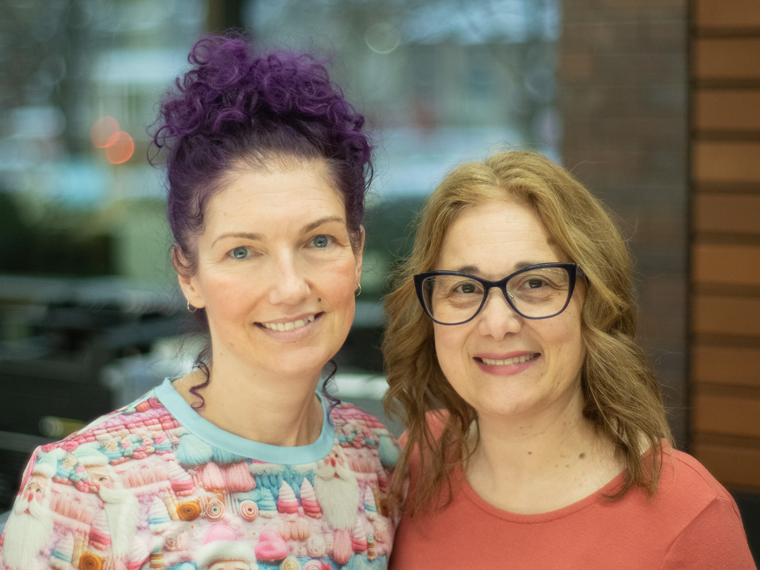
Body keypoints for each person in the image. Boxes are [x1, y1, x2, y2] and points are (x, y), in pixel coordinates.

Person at [0, 36, 400, 570]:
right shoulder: (85, 485)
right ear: (188, 274)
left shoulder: (380, 461)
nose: (289, 286)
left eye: (319, 241)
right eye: (242, 251)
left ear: (358, 253)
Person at [382, 150, 756, 569]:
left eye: (535, 283)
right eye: (464, 288)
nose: (497, 323)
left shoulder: (688, 518)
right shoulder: (410, 466)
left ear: (592, 305)